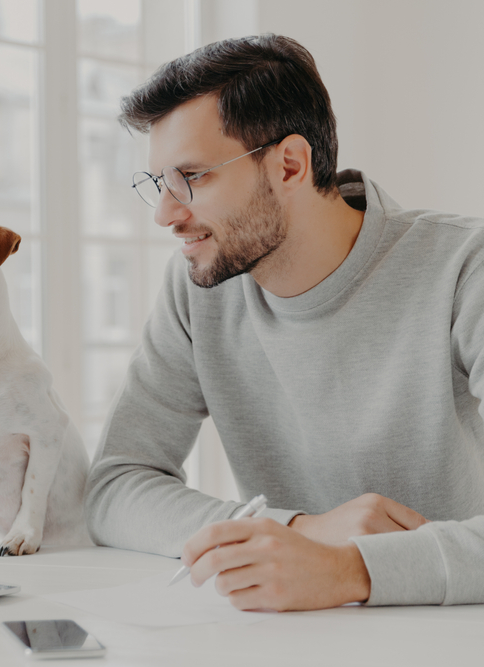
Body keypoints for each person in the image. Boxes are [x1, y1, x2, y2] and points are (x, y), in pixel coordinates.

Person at [84, 33, 484, 611]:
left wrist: (351, 571)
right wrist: (299, 527)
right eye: (158, 184)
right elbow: (116, 485)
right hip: (280, 633)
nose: (166, 215)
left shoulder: (464, 266)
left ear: (290, 165)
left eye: (190, 178)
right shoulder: (202, 285)